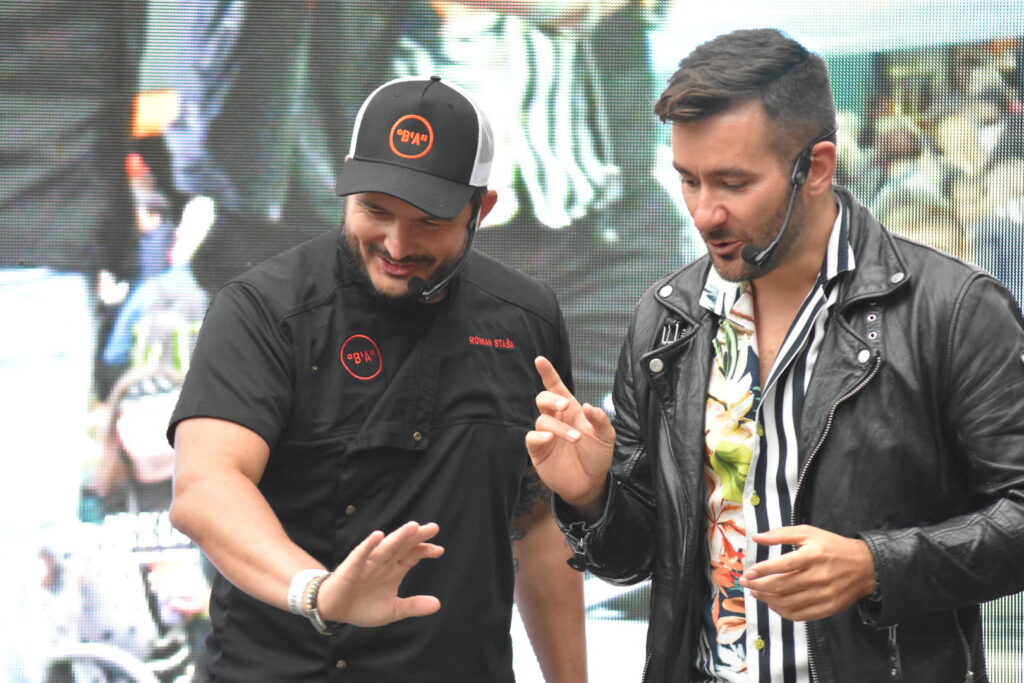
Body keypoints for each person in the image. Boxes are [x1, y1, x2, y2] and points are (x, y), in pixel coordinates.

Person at [526, 28, 1024, 682]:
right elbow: (638, 560)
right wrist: (592, 496)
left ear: (816, 167)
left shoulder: (952, 310)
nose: (704, 213)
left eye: (733, 183)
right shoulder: (669, 318)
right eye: (688, 181)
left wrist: (874, 565)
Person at [168, 76, 586, 682]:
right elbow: (205, 488)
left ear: (482, 210)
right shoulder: (264, 309)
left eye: (428, 221)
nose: (396, 243)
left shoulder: (526, 317)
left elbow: (536, 520)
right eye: (375, 210)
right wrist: (318, 593)